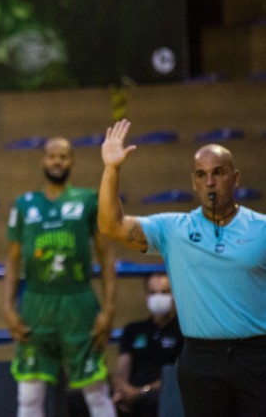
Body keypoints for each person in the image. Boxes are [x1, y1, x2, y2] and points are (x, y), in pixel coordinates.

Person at [98, 118, 266, 416]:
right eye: (201, 175)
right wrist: (111, 169)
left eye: (218, 173)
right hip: (200, 358)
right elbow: (111, 226)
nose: (210, 182)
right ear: (193, 182)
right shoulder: (174, 229)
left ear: (236, 177)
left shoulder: (261, 228)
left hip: (256, 356)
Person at [3, 136, 117, 417]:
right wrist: (7, 307)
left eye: (64, 156)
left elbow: (106, 256)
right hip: (36, 303)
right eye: (52, 155)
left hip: (78, 302)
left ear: (72, 161)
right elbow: (12, 260)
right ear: (43, 160)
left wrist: (109, 307)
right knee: (29, 396)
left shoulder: (88, 200)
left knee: (96, 391)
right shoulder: (24, 204)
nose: (57, 161)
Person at [111, 272, 182, 417]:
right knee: (78, 398)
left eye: (164, 292)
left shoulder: (182, 332)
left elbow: (176, 376)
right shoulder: (133, 329)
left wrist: (141, 392)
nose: (159, 297)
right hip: (131, 392)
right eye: (153, 293)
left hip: (158, 393)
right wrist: (122, 390)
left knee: (152, 401)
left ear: (174, 295)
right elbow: (121, 370)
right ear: (146, 296)